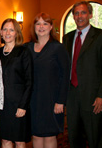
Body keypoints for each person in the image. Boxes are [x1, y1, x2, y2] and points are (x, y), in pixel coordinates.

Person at [26, 13, 70, 148]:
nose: (41, 27)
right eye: (38, 23)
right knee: (36, 135)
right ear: (34, 27)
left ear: (51, 27)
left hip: (52, 100)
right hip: (33, 100)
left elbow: (65, 75)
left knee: (50, 136)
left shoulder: (58, 48)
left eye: (45, 23)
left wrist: (60, 101)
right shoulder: (26, 48)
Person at [62, 1, 102, 148]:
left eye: (83, 12)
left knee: (94, 137)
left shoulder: (99, 36)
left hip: (93, 97)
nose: (79, 16)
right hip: (71, 95)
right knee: (73, 137)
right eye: (76, 13)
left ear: (90, 15)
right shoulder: (67, 38)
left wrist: (101, 95)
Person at [0, 18, 33, 148]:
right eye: (5, 29)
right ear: (0, 32)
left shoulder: (24, 52)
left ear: (17, 33)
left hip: (18, 104)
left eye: (11, 30)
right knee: (5, 139)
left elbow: (29, 81)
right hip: (2, 104)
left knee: (19, 141)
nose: (7, 32)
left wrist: (23, 106)